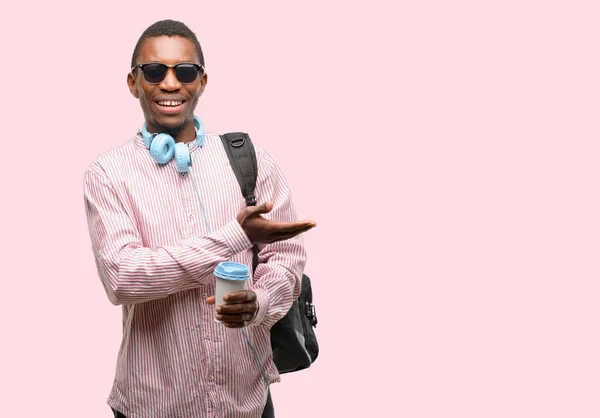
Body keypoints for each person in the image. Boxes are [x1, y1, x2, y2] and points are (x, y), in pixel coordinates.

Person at [83, 19, 316, 418]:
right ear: (133, 82)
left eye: (184, 71)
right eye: (154, 71)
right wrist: (234, 237)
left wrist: (259, 302)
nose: (170, 84)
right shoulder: (108, 173)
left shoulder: (250, 161)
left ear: (202, 81)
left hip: (247, 403)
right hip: (151, 406)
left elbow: (287, 259)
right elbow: (122, 277)